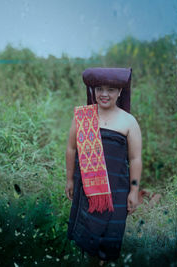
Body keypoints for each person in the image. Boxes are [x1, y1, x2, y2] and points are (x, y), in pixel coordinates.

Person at [65, 67, 142, 265]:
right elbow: (71, 149)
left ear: (120, 92)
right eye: (99, 89)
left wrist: (133, 191)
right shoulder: (83, 117)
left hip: (117, 189)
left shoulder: (129, 121)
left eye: (110, 89)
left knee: (109, 236)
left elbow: (135, 159)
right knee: (89, 234)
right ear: (93, 91)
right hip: (89, 188)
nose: (104, 94)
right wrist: (69, 179)